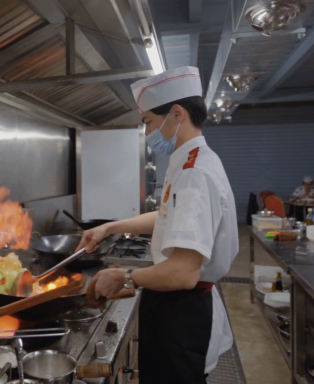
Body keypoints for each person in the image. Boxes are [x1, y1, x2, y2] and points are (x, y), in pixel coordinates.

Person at [77, 66, 238, 384]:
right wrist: (108, 228)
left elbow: (182, 272)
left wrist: (124, 276)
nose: (148, 131)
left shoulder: (194, 173)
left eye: (149, 121)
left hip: (182, 311)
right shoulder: (190, 163)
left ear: (177, 114)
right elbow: (168, 217)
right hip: (175, 305)